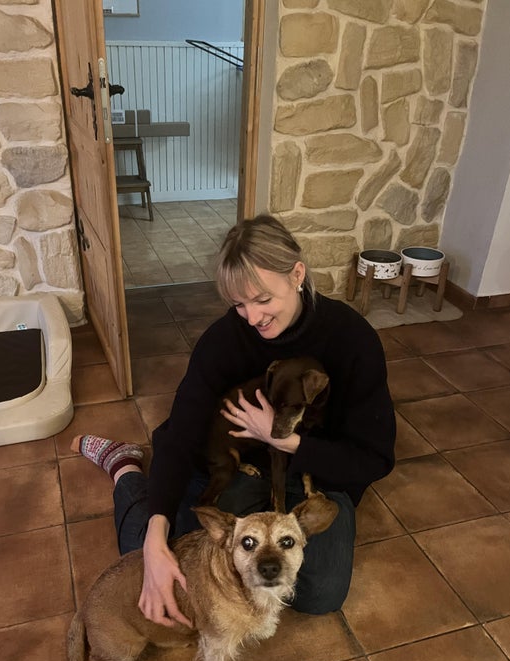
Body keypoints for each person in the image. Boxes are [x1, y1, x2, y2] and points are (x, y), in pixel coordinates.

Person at [72, 214, 396, 629]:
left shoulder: (353, 339)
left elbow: (374, 458)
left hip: (315, 475)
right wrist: (155, 537)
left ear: (297, 274)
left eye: (262, 299)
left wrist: (283, 440)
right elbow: (180, 433)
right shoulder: (224, 340)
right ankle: (124, 466)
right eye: (239, 304)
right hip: (238, 466)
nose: (252, 317)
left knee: (321, 593)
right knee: (154, 559)